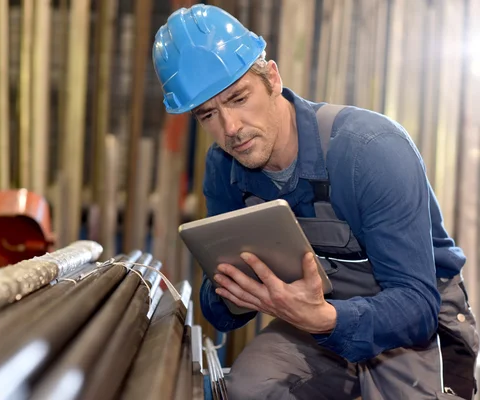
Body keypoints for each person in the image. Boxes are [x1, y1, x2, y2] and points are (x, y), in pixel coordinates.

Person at [152, 3, 479, 400]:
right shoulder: (224, 168)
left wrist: (327, 320)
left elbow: (417, 305)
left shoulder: (369, 152)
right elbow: (220, 309)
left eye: (238, 98)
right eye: (208, 115)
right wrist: (232, 292)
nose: (230, 129)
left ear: (272, 77)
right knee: (250, 388)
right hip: (315, 320)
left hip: (415, 324)